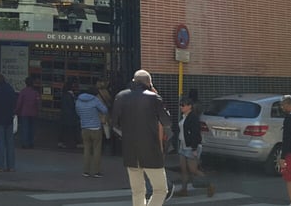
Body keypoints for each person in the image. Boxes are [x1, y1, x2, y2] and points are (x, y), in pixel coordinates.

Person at [110, 69, 171, 206]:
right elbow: (166, 121)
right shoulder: (153, 97)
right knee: (161, 189)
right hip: (151, 151)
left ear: (133, 81)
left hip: (130, 151)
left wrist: (126, 137)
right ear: (149, 83)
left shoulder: (120, 96)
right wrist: (157, 95)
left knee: (137, 191)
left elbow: (114, 125)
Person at [176, 97, 214, 197]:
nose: (181, 107)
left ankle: (209, 185)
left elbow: (195, 134)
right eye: (180, 105)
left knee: (193, 170)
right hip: (183, 145)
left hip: (191, 147)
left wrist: (194, 148)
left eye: (183, 105)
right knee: (183, 169)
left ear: (189, 106)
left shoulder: (193, 117)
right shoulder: (184, 116)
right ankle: (184, 190)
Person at [75, 85, 108, 177]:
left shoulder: (78, 101)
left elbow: (77, 112)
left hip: (84, 128)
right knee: (96, 150)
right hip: (96, 128)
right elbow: (105, 110)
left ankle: (86, 171)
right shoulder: (95, 100)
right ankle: (96, 171)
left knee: (86, 150)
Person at [14, 76, 41, 149]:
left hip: (24, 112)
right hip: (33, 113)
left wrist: (16, 111)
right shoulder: (35, 92)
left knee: (25, 128)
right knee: (32, 128)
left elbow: (19, 103)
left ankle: (25, 143)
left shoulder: (23, 92)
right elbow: (38, 103)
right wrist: (38, 111)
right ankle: (31, 142)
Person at [58, 83, 80, 149]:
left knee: (63, 129)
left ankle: (61, 142)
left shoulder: (63, 95)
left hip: (64, 115)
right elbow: (72, 105)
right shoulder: (70, 95)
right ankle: (76, 143)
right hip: (71, 115)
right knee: (74, 129)